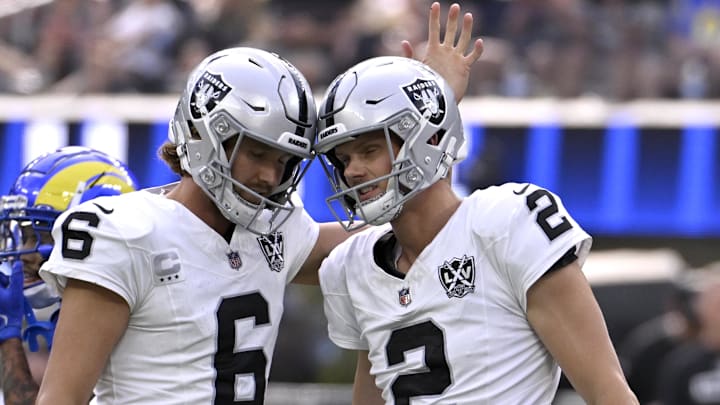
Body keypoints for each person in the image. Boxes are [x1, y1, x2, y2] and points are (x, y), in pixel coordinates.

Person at [34, 3, 482, 401]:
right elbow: (62, 397)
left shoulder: (275, 231)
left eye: (284, 161)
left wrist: (427, 120)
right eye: (256, 153)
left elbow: (403, 232)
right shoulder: (126, 232)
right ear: (203, 133)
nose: (269, 176)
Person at [313, 33, 639, 405]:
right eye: (343, 158)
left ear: (427, 140)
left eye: (369, 150)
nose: (353, 171)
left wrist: (437, 104)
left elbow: (607, 390)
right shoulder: (353, 265)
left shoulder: (507, 223)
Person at [0, 146, 139, 405]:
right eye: (25, 234)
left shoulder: (117, 309)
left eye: (40, 235)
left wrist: (8, 340)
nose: (23, 254)